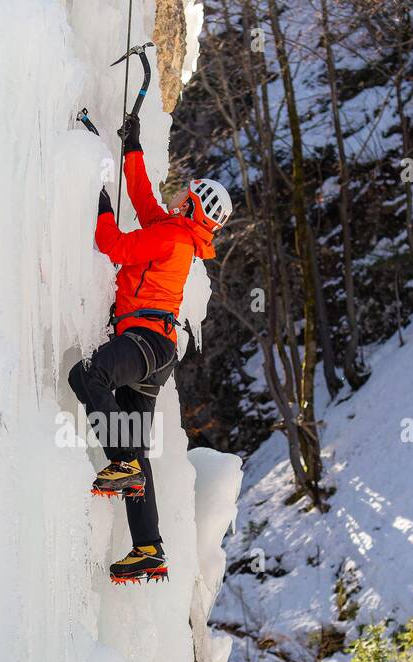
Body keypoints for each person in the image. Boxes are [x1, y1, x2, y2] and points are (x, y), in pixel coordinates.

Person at [67, 113, 233, 584]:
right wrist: (132, 146)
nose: (178, 194)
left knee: (86, 377)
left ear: (194, 205)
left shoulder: (174, 236)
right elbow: (142, 199)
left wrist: (96, 194)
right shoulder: (177, 235)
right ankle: (148, 548)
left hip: (144, 340)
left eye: (187, 192)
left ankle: (122, 465)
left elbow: (112, 244)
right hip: (155, 352)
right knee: (135, 445)